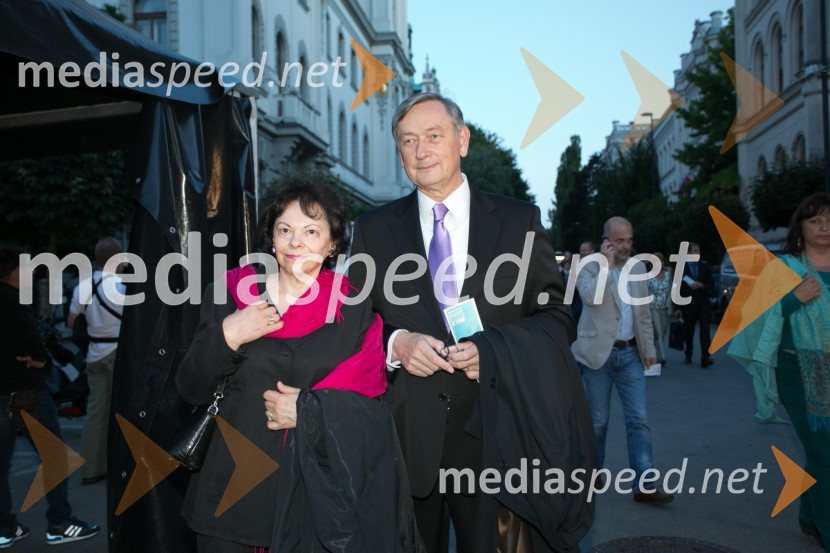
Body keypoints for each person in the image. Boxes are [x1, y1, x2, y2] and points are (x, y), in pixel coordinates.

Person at [349, 92, 594, 553]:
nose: (421, 151)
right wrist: (396, 344)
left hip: (496, 435)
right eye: (408, 141)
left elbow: (557, 317)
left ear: (462, 140)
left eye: (433, 136)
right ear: (399, 154)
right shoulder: (372, 229)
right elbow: (353, 323)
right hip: (405, 439)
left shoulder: (519, 222)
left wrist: (496, 352)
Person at [176, 182, 422, 553]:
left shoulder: (352, 306)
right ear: (271, 238)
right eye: (285, 229)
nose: (296, 242)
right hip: (230, 497)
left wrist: (308, 411)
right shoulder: (230, 293)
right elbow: (189, 387)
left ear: (332, 244)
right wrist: (228, 335)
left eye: (311, 231)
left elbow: (370, 406)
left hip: (317, 499)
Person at [729, 192, 830, 550]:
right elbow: (756, 319)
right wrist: (792, 299)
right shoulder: (783, 269)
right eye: (815, 220)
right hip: (798, 371)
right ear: (800, 228)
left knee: (821, 454)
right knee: (823, 454)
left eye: (829, 220)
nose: (824, 227)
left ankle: (808, 513)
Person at [0, 246, 100, 548]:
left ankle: (5, 528)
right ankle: (60, 523)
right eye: (27, 267)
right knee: (56, 457)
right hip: (28, 394)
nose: (31, 272)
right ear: (15, 270)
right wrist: (40, 359)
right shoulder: (15, 303)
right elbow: (37, 345)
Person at [572, 217, 673, 504]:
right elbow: (590, 298)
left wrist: (649, 349)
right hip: (598, 356)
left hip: (630, 354)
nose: (626, 246)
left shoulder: (638, 268)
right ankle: (593, 472)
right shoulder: (589, 265)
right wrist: (605, 264)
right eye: (619, 241)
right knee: (598, 422)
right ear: (606, 241)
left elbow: (643, 313)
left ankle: (645, 484)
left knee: (639, 420)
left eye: (629, 240)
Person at [67, 237, 124, 486]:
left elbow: (72, 322)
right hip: (118, 353)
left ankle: (91, 469)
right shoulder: (123, 286)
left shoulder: (83, 286)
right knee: (123, 411)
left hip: (94, 354)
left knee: (95, 414)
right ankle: (121, 467)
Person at [674, 242, 715, 367]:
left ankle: (705, 358)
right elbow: (676, 288)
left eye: (698, 251)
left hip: (703, 305)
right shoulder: (681, 267)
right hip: (688, 305)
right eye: (695, 251)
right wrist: (677, 307)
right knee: (689, 332)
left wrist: (701, 285)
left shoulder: (704, 266)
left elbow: (711, 285)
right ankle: (688, 353)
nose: (697, 253)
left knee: (705, 332)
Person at [648, 252, 672, 365]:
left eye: (660, 260)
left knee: (662, 331)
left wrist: (670, 303)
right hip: (653, 307)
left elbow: (671, 290)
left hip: (665, 308)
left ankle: (656, 352)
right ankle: (661, 357)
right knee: (658, 331)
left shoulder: (668, 275)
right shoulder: (649, 276)